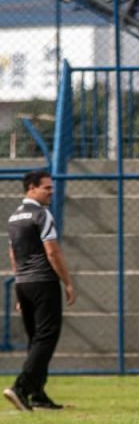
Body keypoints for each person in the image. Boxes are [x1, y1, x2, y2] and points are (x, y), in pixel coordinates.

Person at [3, 170, 75, 411]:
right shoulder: (41, 214)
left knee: (36, 340)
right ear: (31, 188)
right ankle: (21, 388)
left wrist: (19, 287)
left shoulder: (14, 217)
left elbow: (13, 254)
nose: (51, 192)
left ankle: (37, 394)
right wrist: (67, 282)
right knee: (46, 337)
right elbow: (52, 251)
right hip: (43, 282)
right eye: (47, 188)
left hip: (23, 283)